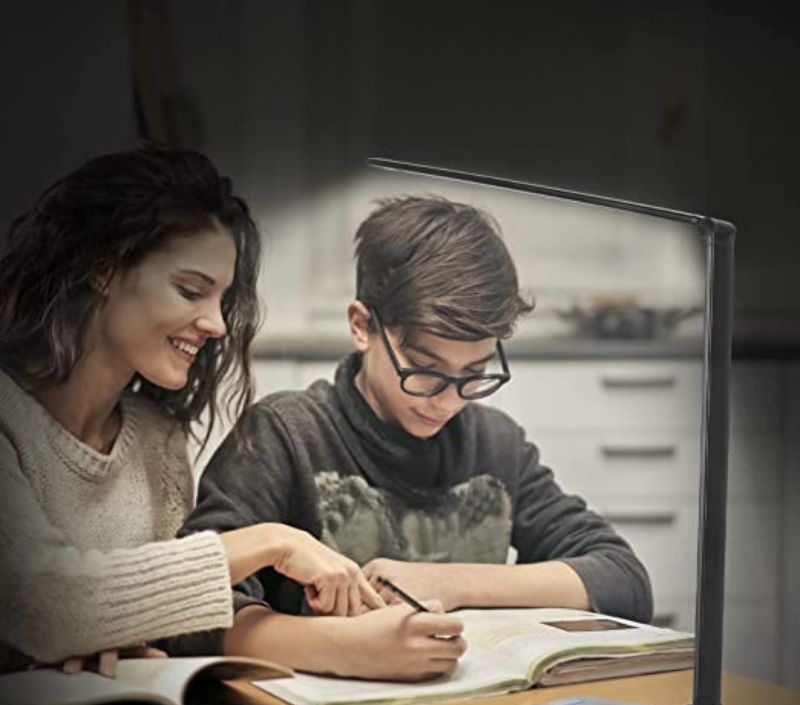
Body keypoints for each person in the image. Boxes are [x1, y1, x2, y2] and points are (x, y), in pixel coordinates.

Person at [0, 146, 464, 680]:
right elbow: (43, 606)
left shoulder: (156, 438)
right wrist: (275, 540)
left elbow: (145, 618)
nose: (217, 325)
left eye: (221, 299)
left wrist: (117, 641)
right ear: (103, 269)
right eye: (190, 291)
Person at [181, 195, 654, 671]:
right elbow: (188, 613)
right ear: (362, 326)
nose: (447, 401)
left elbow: (623, 579)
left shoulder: (497, 444)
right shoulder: (284, 436)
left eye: (474, 373)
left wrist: (445, 582)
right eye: (425, 370)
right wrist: (343, 646)